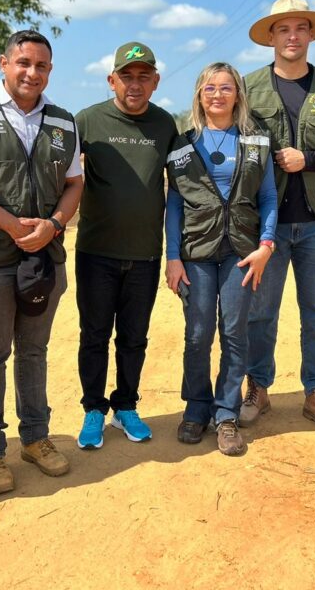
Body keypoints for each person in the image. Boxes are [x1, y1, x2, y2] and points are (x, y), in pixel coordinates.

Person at [0, 30, 83, 493]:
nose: (32, 73)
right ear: (4, 63)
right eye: (23, 62)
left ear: (50, 71)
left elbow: (74, 183)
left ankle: (36, 438)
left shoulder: (64, 122)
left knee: (34, 350)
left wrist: (55, 224)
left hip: (44, 259)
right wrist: (9, 225)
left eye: (42, 66)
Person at [242, 0, 315, 436]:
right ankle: (258, 386)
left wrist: (307, 159)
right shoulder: (248, 87)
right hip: (265, 222)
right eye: (283, 29)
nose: (292, 36)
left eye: (300, 28)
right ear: (271, 37)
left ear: (311, 34)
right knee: (260, 312)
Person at [165, 63, 277, 456]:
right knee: (197, 334)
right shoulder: (182, 145)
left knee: (234, 332)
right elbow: (175, 203)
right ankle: (196, 409)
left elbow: (268, 198)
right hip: (195, 251)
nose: (217, 95)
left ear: (238, 94)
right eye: (209, 88)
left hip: (242, 252)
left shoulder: (257, 140)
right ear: (199, 94)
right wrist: (173, 257)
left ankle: (226, 414)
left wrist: (266, 245)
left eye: (226, 88)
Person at [74, 42, 178, 449]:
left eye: (143, 76)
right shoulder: (87, 121)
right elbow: (57, 172)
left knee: (135, 337)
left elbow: (185, 186)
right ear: (111, 80)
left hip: (145, 254)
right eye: (126, 76)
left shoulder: (165, 126)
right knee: (94, 335)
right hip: (96, 252)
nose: (134, 84)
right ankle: (94, 410)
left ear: (155, 81)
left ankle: (126, 406)